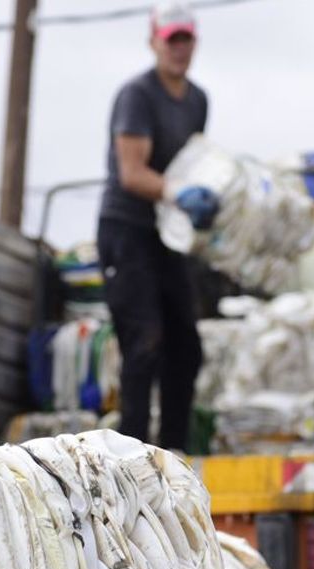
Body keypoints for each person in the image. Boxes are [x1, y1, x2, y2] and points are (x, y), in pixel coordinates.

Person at [97, 1, 219, 450]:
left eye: (186, 39)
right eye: (171, 41)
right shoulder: (137, 95)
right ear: (154, 42)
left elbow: (192, 159)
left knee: (185, 345)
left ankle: (173, 452)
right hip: (126, 230)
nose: (179, 49)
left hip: (168, 234)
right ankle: (131, 455)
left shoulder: (197, 100)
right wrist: (177, 193)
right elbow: (132, 173)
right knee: (144, 340)